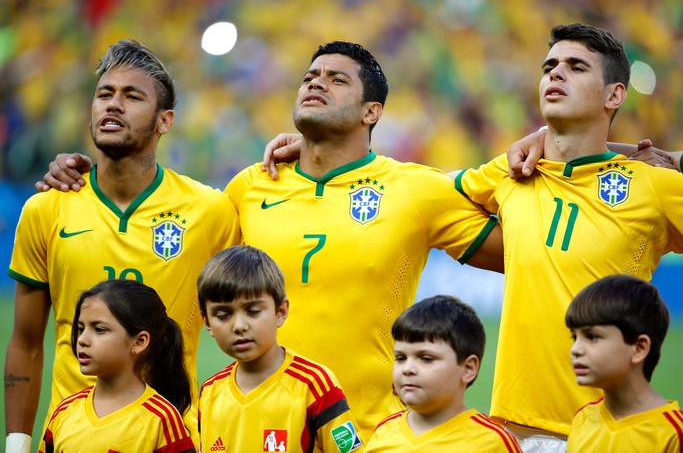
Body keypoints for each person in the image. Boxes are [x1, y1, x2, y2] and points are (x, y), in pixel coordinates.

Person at [38, 40, 504, 438]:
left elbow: (522, 251)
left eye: (337, 79)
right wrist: (88, 174)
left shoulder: (417, 189)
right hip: (253, 432)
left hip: (369, 431)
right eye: (310, 76)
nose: (316, 83)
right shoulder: (250, 187)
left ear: (372, 112)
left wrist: (545, 148)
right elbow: (160, 232)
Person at [453, 23, 683, 451]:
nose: (555, 74)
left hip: (611, 432)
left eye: (575, 67)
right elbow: (414, 187)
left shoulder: (653, 183)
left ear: (614, 95)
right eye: (549, 66)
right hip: (512, 432)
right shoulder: (512, 173)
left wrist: (675, 158)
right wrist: (318, 147)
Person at [5, 39, 238, 452]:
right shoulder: (46, 208)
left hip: (172, 437)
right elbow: (25, 341)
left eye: (132, 96)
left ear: (165, 121)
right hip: (70, 437)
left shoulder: (210, 211)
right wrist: (18, 444)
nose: (112, 105)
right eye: (104, 95)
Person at [196, 245, 364, 453]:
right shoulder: (210, 391)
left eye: (253, 311)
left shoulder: (314, 385)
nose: (239, 326)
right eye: (223, 315)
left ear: (280, 312)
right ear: (208, 323)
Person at [38, 279, 196, 453]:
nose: (82, 340)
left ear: (139, 342)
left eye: (99, 329)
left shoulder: (161, 419)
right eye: (81, 328)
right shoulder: (64, 412)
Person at [365, 295, 522, 452]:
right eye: (401, 358)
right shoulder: (384, 432)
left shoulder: (492, 443)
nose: (408, 368)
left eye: (426, 358)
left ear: (468, 369)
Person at [565, 274, 683, 452]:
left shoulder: (674, 434)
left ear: (639, 348)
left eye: (592, 337)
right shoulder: (582, 420)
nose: (576, 349)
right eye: (574, 337)